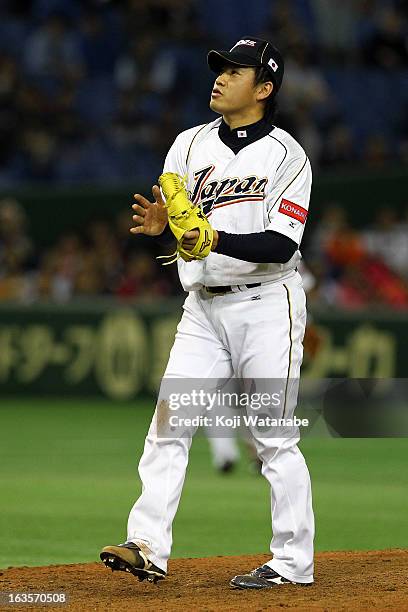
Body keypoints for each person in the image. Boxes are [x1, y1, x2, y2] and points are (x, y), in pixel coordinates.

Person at [101, 36, 314, 590]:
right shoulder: (188, 145)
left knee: (272, 437)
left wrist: (211, 235)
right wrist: (166, 228)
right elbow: (187, 227)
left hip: (268, 303)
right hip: (202, 307)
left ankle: (293, 563)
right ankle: (146, 545)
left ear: (264, 89)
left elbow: (282, 246)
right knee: (168, 425)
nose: (219, 78)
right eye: (219, 69)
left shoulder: (287, 156)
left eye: (235, 71)